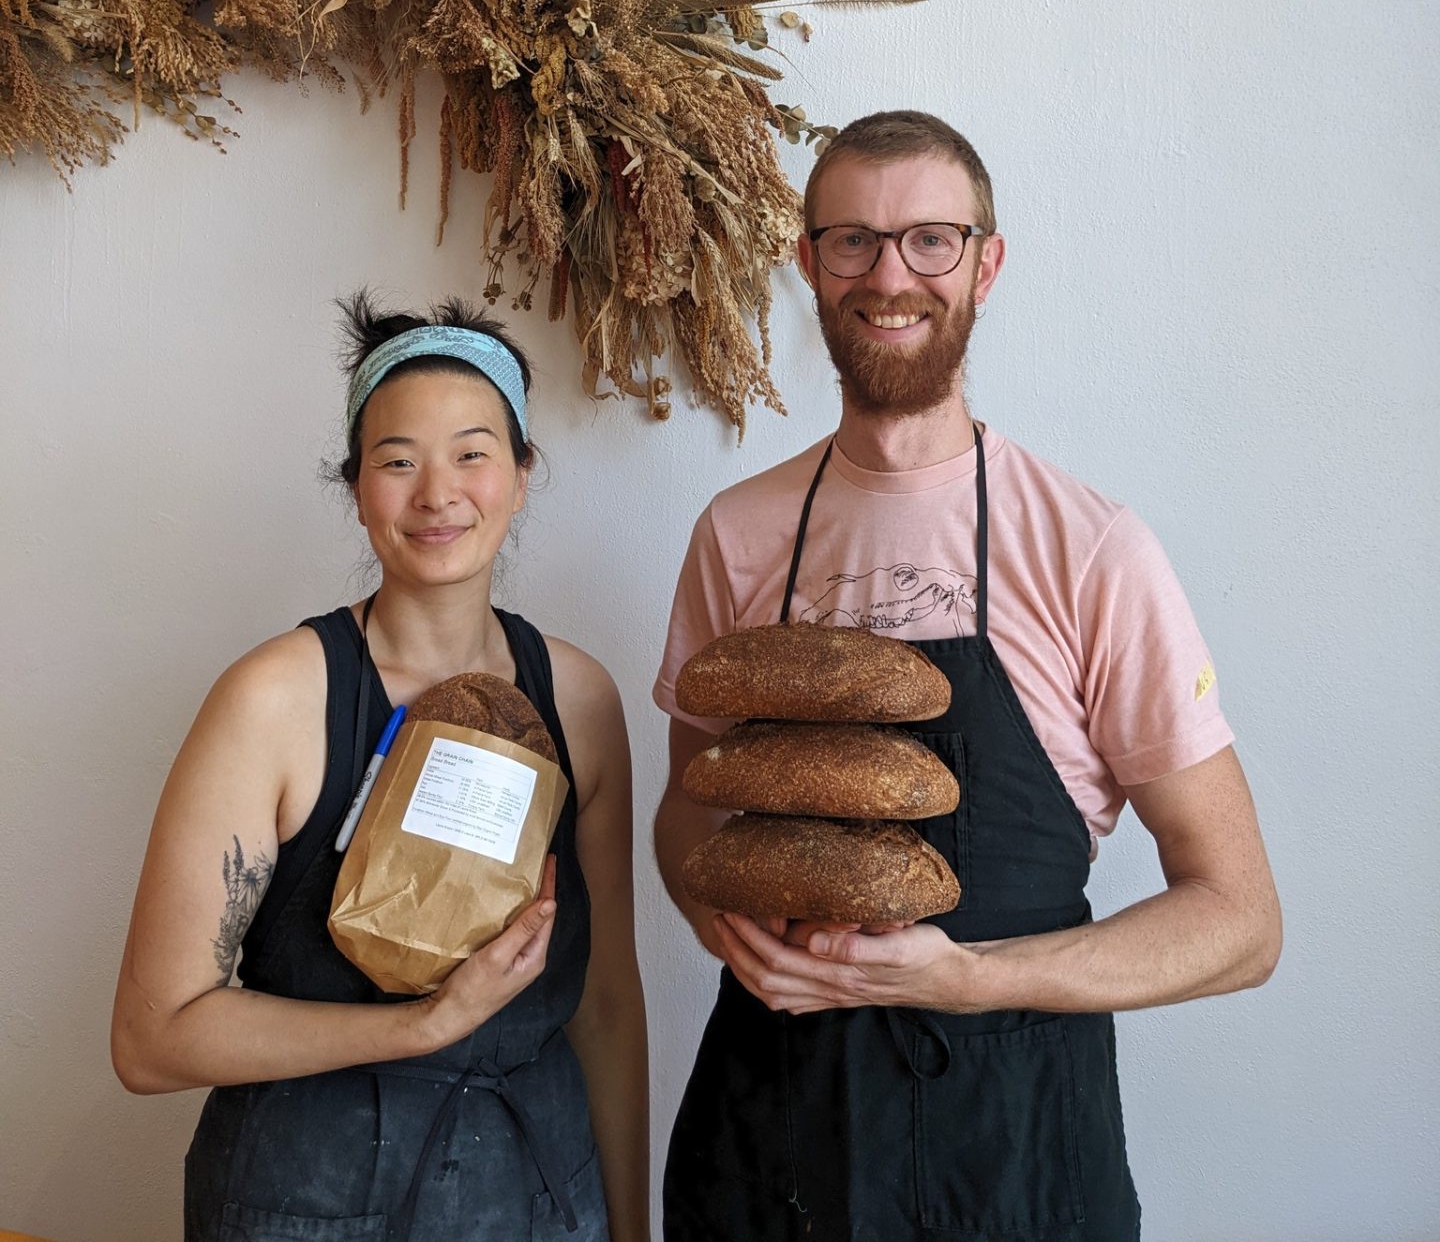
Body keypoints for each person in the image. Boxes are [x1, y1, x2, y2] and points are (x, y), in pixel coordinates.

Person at [653, 110, 1281, 1242]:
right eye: (851, 239)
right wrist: (724, 933)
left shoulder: (1089, 548)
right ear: (807, 261)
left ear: (986, 265)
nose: (890, 275)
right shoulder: (737, 534)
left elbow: (1240, 922)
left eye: (930, 239)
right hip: (776, 1134)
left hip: (1018, 1148)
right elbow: (686, 815)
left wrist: (968, 980)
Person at [112, 292, 648, 1242]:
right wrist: (423, 1026)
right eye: (398, 461)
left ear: (522, 477)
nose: (438, 493)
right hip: (304, 1201)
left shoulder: (580, 701)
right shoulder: (273, 700)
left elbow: (604, 1005)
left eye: (474, 454)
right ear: (356, 486)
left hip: (540, 1192)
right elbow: (153, 1039)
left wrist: (631, 1222)